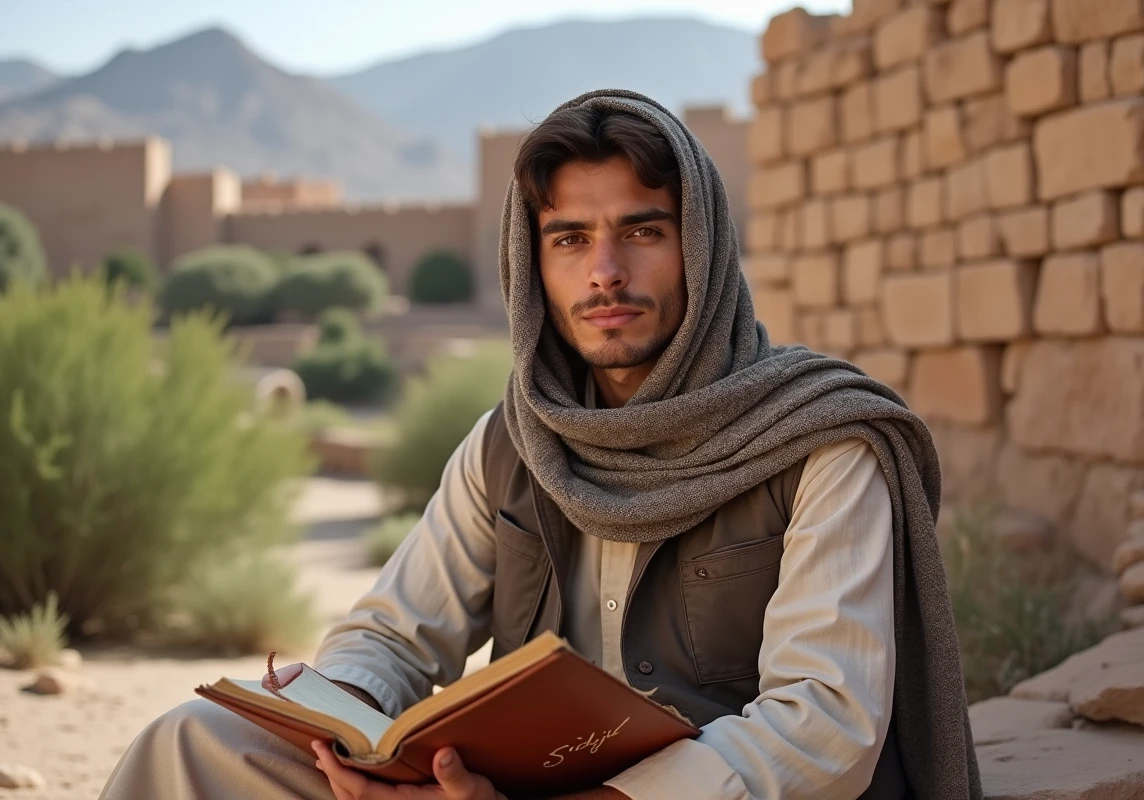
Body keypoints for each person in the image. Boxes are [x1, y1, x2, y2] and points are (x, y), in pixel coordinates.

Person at [101, 89, 981, 800]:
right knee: (196, 744)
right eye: (570, 240)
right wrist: (356, 735)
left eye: (642, 231)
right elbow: (394, 634)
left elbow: (823, 727)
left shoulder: (816, 438)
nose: (605, 272)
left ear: (702, 250)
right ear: (534, 265)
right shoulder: (514, 442)